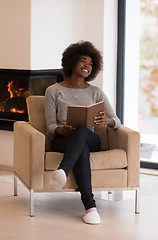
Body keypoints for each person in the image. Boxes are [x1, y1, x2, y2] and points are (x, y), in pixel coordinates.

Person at [44, 41, 121, 225]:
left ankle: (63, 170)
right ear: (71, 62)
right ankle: (90, 208)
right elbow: (50, 126)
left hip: (91, 138)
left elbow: (116, 121)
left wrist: (107, 121)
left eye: (91, 64)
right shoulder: (53, 91)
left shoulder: (96, 92)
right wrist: (61, 129)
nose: (87, 66)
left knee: (82, 132)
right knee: (82, 150)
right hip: (63, 139)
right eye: (83, 61)